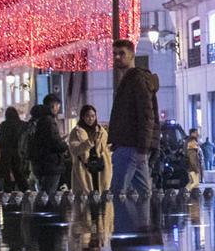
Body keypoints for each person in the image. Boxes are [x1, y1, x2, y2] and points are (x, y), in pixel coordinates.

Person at [107, 39, 160, 194]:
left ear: (132, 55)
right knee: (143, 193)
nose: (117, 57)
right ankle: (143, 218)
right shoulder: (131, 80)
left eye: (122, 53)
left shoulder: (135, 80)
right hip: (133, 146)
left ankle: (126, 219)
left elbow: (146, 114)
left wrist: (142, 147)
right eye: (115, 54)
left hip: (129, 145)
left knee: (118, 193)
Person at [26, 93, 69, 191]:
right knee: (48, 195)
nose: (58, 109)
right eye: (58, 106)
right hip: (50, 164)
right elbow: (54, 143)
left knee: (42, 193)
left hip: (38, 164)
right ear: (53, 105)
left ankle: (41, 206)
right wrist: (65, 145)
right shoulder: (48, 121)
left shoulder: (36, 120)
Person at [67, 105, 110, 194]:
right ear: (82, 117)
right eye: (87, 116)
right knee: (85, 199)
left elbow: (106, 148)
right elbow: (74, 150)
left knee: (101, 197)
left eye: (93, 116)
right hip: (84, 168)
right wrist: (89, 142)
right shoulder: (76, 132)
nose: (90, 119)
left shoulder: (102, 131)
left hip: (100, 168)